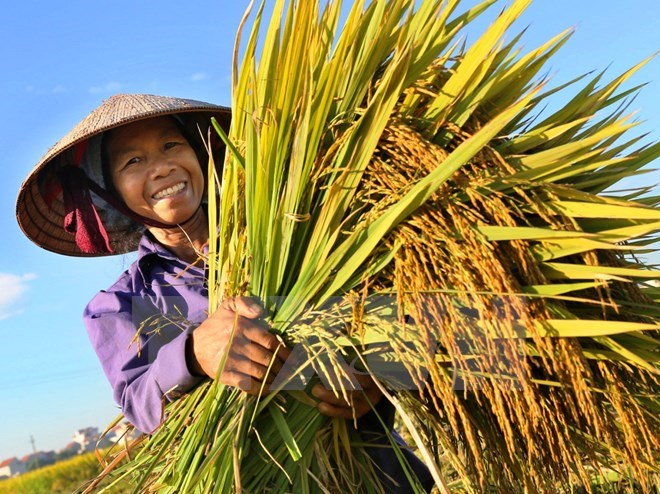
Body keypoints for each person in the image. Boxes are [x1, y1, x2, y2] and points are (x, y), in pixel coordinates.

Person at [16, 94, 433, 493]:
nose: (160, 168)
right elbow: (138, 405)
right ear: (110, 192)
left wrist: (374, 385)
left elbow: (387, 320)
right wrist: (194, 354)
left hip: (382, 476)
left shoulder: (293, 237)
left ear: (201, 155)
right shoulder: (118, 305)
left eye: (170, 145)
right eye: (133, 161)